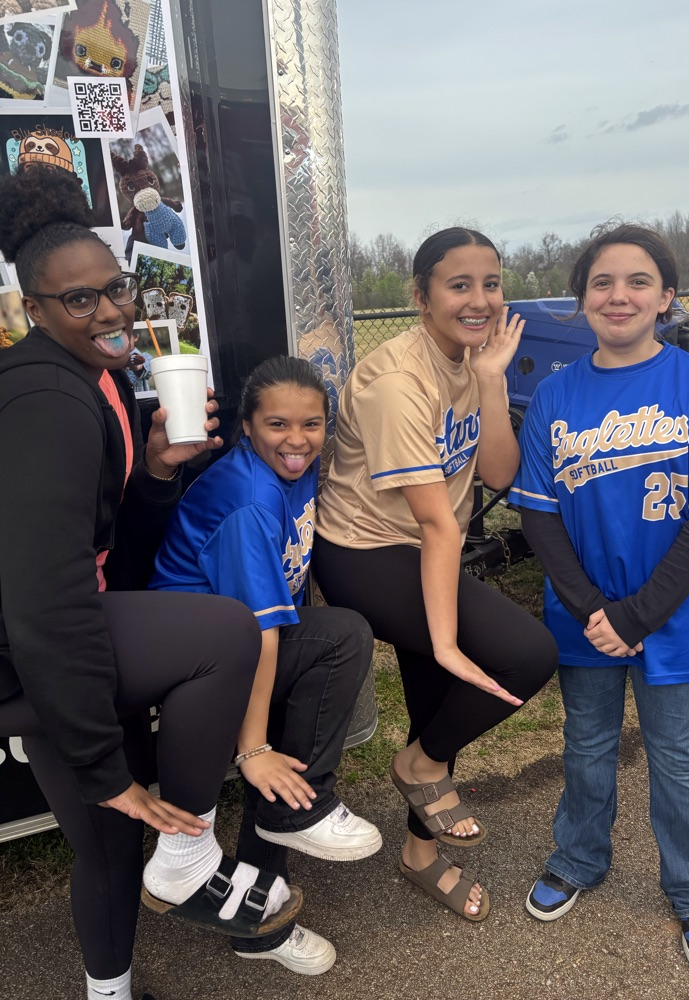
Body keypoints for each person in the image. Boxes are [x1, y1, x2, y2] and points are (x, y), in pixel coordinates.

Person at [0, 168, 301, 1000]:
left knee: (103, 844)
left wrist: (160, 469)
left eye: (115, 289)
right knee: (223, 633)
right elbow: (40, 595)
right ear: (36, 310)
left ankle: (109, 992)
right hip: (35, 654)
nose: (109, 312)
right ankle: (190, 853)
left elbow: (105, 537)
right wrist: (104, 764)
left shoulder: (96, 381)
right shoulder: (41, 399)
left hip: (76, 637)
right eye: (78, 301)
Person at [509, 223, 689, 977]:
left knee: (677, 758)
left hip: (671, 615)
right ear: (580, 301)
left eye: (638, 281)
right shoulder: (556, 393)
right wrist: (593, 611)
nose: (620, 295)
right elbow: (538, 513)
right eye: (602, 282)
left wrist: (638, 615)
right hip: (586, 615)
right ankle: (578, 858)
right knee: (586, 746)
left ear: (667, 297)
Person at [311, 227, 559, 921]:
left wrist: (489, 382)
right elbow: (439, 523)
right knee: (524, 654)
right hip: (366, 551)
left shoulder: (472, 362)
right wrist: (447, 641)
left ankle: (420, 850)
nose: (479, 300)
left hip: (424, 545)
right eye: (459, 285)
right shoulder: (397, 382)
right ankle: (419, 767)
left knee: (437, 709)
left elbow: (499, 474)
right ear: (420, 297)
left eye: (491, 283)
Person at [150, 355, 379, 974]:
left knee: (295, 744)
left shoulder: (295, 467)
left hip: (237, 644)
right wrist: (252, 749)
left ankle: (262, 920)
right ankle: (290, 812)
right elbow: (260, 631)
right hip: (194, 661)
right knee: (343, 638)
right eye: (277, 425)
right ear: (247, 427)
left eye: (312, 424)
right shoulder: (249, 497)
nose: (297, 440)